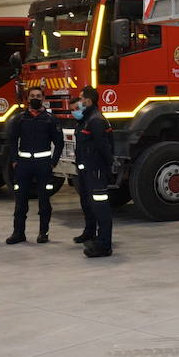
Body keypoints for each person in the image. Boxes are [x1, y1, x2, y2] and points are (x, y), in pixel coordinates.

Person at [3, 84, 62, 244]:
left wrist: (53, 162)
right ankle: (18, 233)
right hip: (24, 165)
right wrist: (15, 161)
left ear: (43, 99)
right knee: (20, 201)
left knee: (44, 202)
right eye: (32, 96)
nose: (35, 99)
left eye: (38, 96)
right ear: (27, 99)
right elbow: (12, 141)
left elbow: (59, 143)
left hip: (43, 165)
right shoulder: (20, 119)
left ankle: (44, 233)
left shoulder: (51, 120)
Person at [72, 85, 114, 258]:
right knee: (91, 205)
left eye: (81, 99)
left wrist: (106, 169)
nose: (79, 102)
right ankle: (96, 237)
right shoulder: (87, 119)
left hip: (96, 171)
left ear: (88, 101)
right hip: (88, 170)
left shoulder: (95, 120)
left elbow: (104, 147)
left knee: (101, 208)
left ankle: (104, 245)